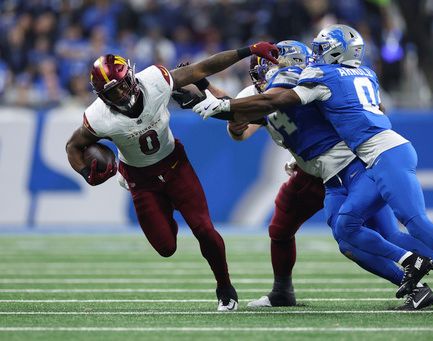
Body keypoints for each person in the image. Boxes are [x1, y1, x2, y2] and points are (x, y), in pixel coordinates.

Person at [192, 25, 433, 311]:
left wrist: (223, 104)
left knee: (397, 226)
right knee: (348, 236)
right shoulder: (350, 74)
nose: (265, 68)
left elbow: (279, 101)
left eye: (274, 62)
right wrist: (214, 97)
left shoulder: (309, 80)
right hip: (329, 173)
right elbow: (249, 120)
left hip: (360, 163)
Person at [65, 42, 279, 311]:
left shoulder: (155, 79)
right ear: (101, 96)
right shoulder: (98, 117)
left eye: (121, 84)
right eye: (112, 91)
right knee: (166, 247)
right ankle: (164, 208)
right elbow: (73, 146)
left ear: (130, 75)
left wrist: (249, 50)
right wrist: (86, 172)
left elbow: (203, 67)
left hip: (175, 165)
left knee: (205, 231)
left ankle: (225, 287)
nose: (120, 92)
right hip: (140, 180)